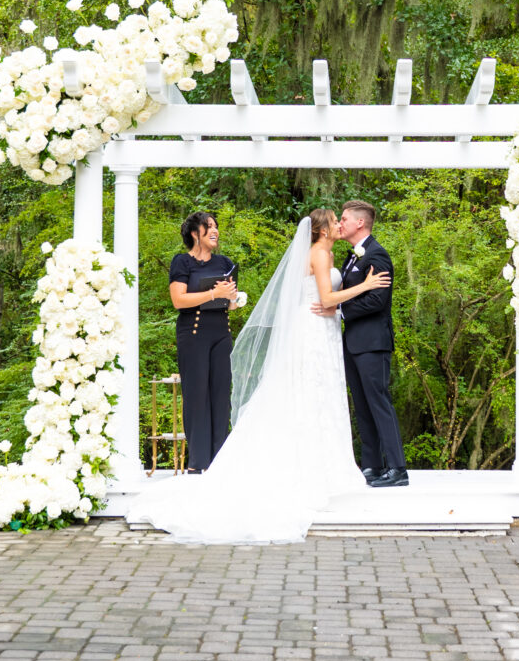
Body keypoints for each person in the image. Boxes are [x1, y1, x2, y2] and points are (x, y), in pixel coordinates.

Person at [126, 209, 390, 543]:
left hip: (310, 329)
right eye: (335, 220)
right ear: (321, 230)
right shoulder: (320, 254)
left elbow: (302, 297)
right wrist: (365, 286)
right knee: (310, 393)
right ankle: (299, 469)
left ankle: (313, 464)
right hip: (306, 331)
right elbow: (324, 297)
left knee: (304, 394)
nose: (340, 224)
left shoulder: (319, 253)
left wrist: (232, 299)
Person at [335, 199, 408, 487]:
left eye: (344, 219)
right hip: (353, 342)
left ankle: (398, 468)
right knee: (362, 405)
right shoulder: (352, 256)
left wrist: (340, 311)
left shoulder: (377, 256)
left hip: (372, 342)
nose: (340, 223)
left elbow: (378, 300)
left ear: (359, 223)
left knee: (379, 402)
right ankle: (372, 465)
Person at [169, 212, 238, 473]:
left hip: (221, 330)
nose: (215, 230)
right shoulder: (182, 262)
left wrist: (232, 297)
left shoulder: (224, 262)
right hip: (193, 332)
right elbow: (178, 300)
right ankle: (198, 464)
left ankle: (220, 462)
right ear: (195, 233)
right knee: (197, 396)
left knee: (221, 395)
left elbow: (230, 304)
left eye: (216, 226)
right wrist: (213, 293)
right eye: (209, 226)